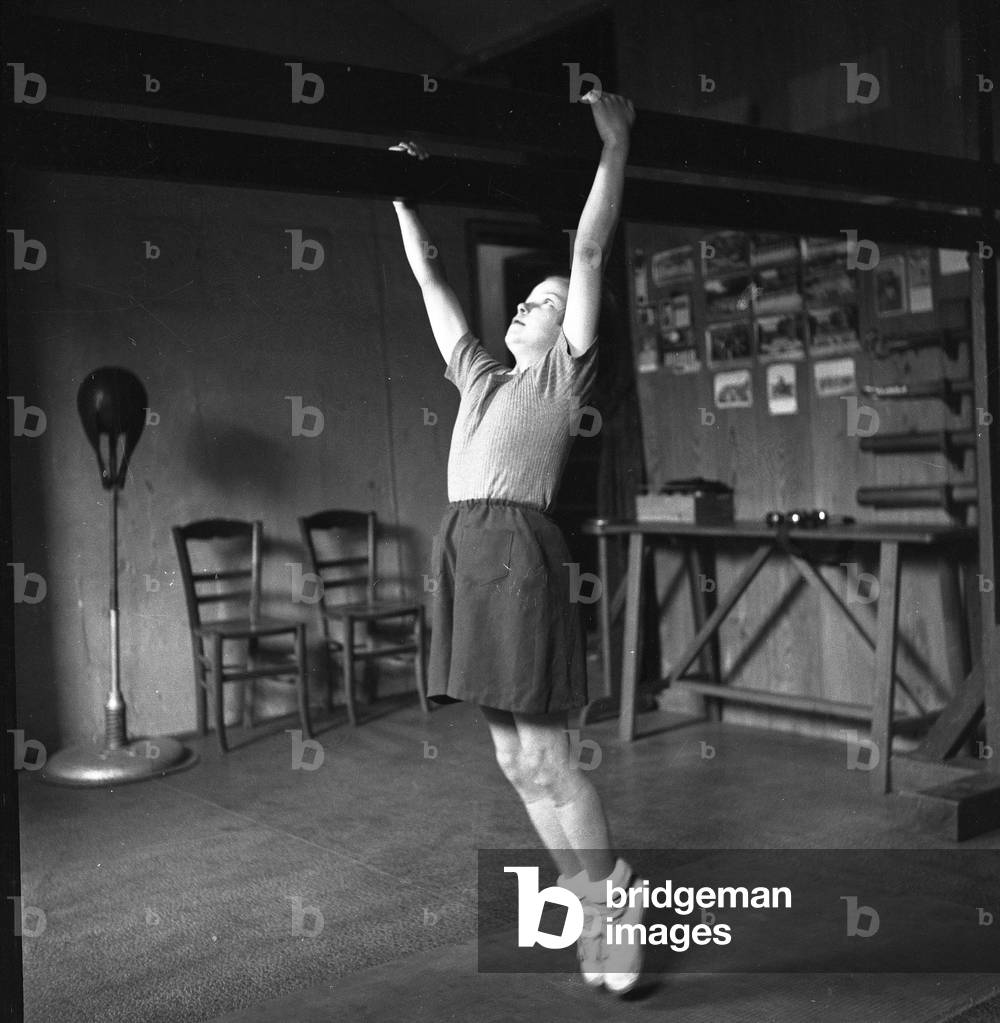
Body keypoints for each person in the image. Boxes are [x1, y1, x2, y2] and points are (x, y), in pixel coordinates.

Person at [391, 89, 642, 995]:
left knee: (549, 750)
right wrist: (400, 192)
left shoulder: (561, 371)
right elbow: (430, 280)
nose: (526, 309)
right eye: (528, 302)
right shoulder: (479, 378)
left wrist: (613, 149)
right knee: (510, 756)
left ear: (565, 327)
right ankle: (589, 903)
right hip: (464, 548)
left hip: (518, 552)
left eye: (542, 303)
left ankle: (616, 907)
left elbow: (587, 250)